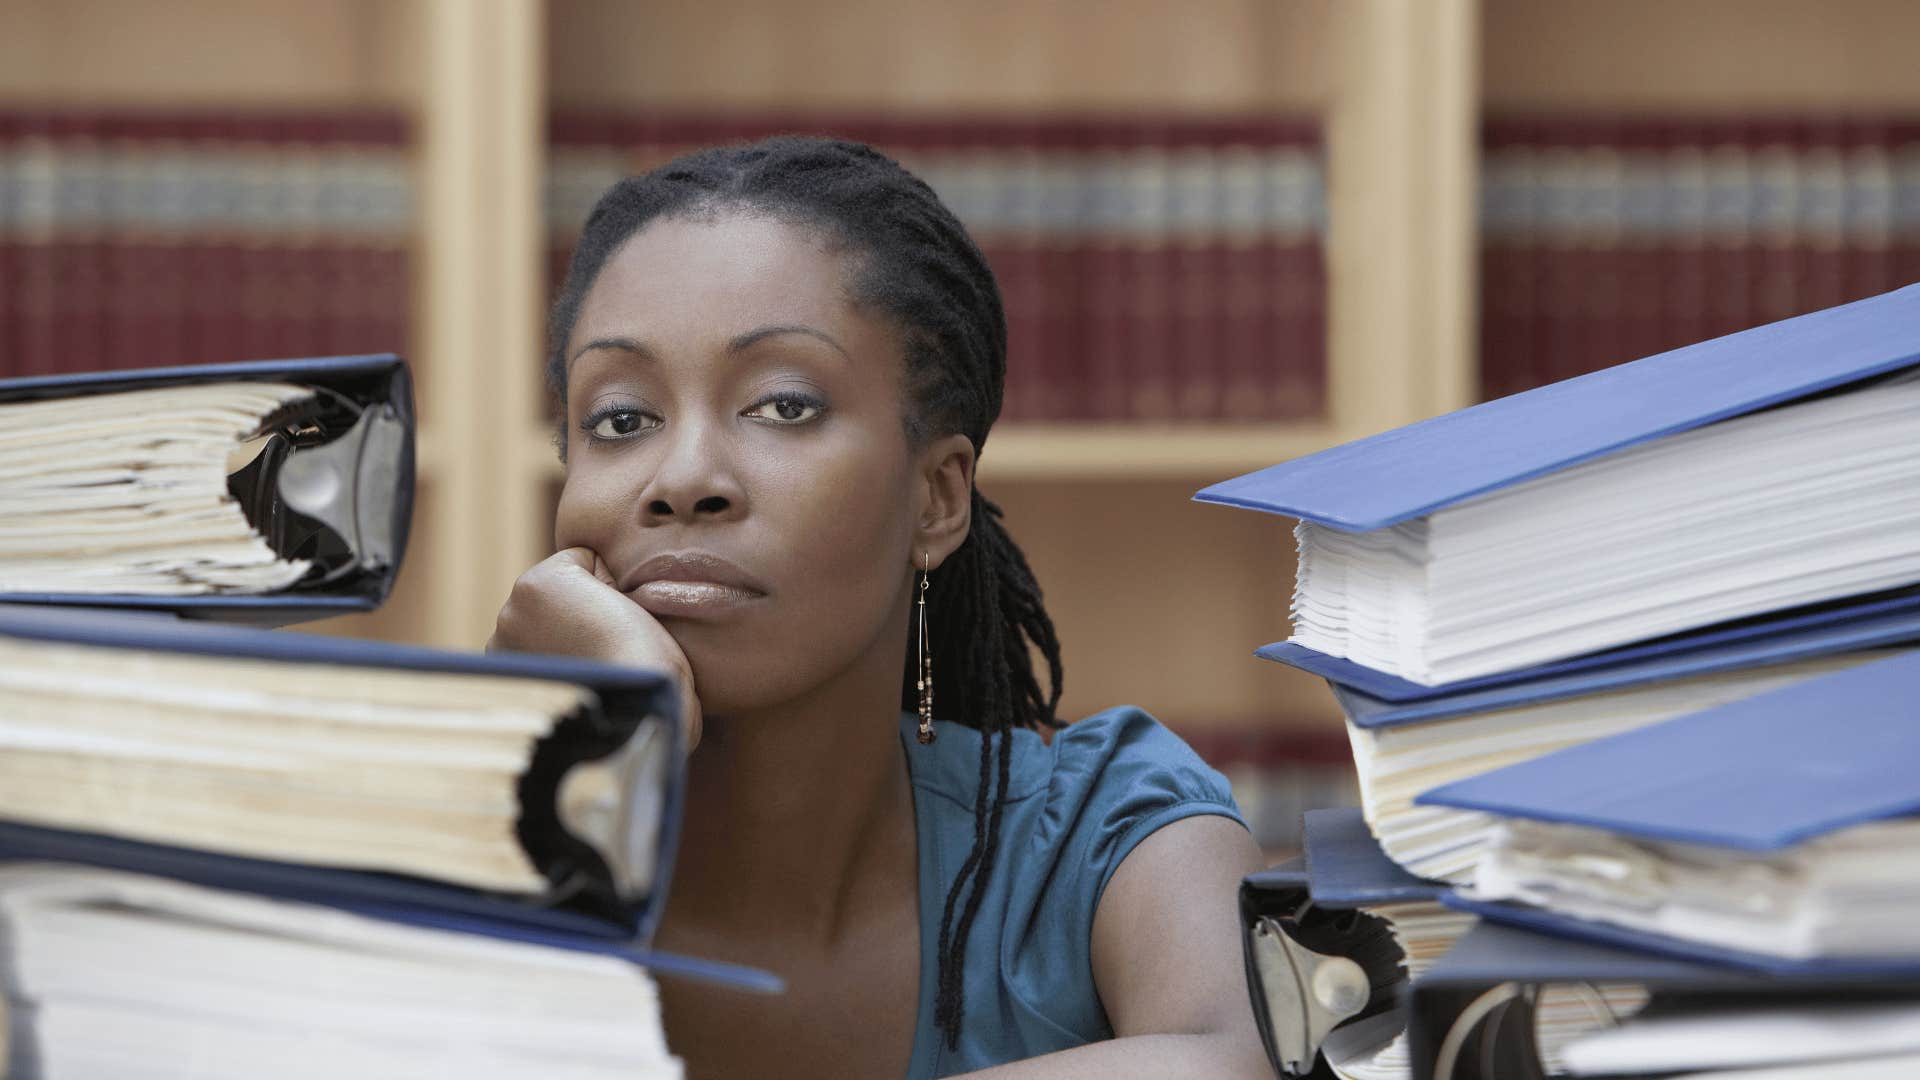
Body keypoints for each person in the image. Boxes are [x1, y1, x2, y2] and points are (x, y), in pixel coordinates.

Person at [489, 136, 1270, 1079]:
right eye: (622, 419)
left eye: (782, 405)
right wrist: (498, 763)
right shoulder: (416, 833)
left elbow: (1242, 1061)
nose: (683, 479)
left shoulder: (1098, 837)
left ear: (937, 497)